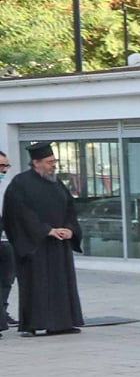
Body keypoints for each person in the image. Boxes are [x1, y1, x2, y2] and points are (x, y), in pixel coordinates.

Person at [1, 142, 84, 336]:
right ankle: (32, 325)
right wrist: (46, 230)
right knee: (36, 285)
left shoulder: (57, 183)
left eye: (54, 161)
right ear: (36, 162)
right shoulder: (20, 183)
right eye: (49, 162)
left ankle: (62, 324)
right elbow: (18, 214)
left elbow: (70, 208)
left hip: (59, 245)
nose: (53, 165)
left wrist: (70, 229)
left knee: (61, 284)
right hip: (34, 245)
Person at [0, 147, 15, 336]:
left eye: (6, 166)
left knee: (7, 280)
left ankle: (3, 312)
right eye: (0, 166)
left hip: (7, 240)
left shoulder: (7, 186)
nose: (3, 170)